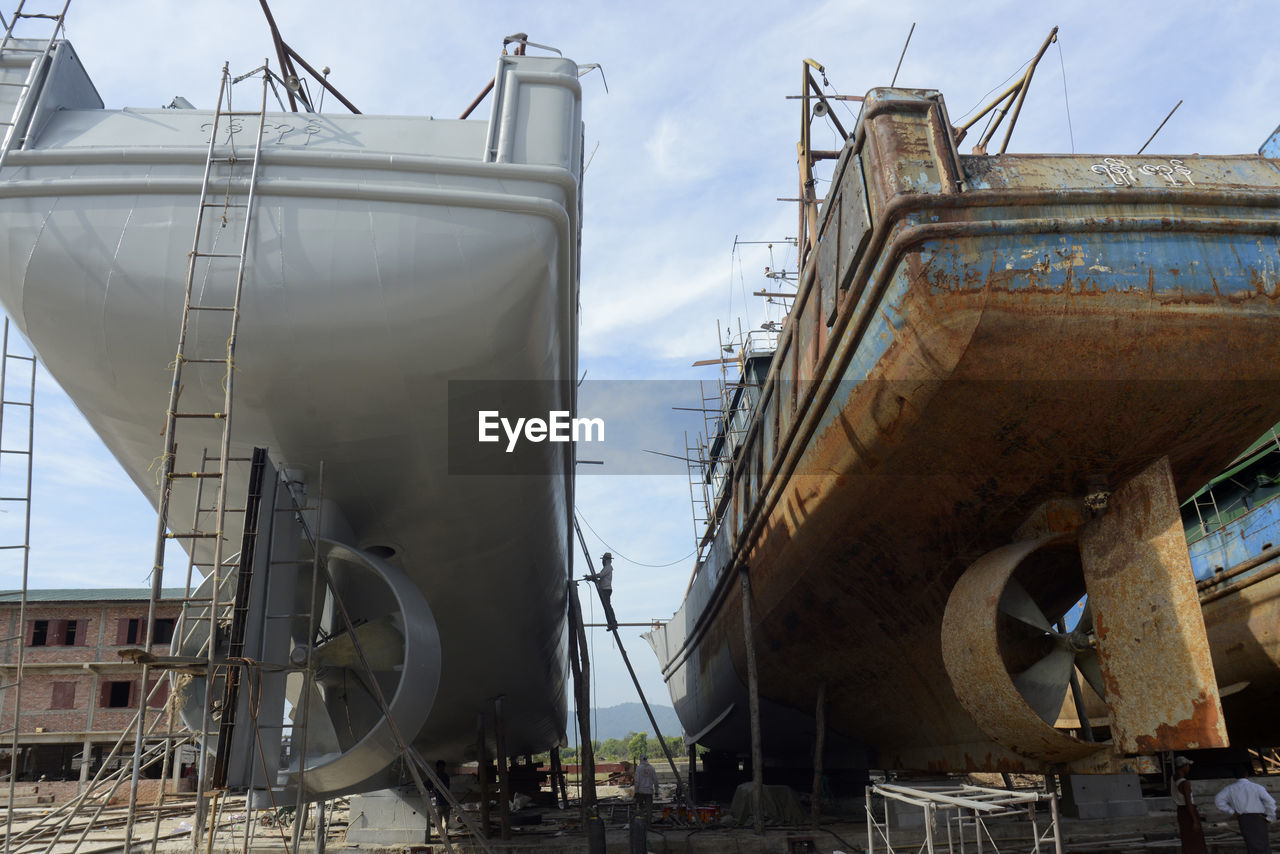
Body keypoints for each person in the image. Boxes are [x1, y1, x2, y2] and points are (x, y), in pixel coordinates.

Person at [1215, 767, 1276, 854]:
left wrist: (1231, 811)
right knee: (1262, 844)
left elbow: (1218, 800)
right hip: (1259, 817)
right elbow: (1270, 802)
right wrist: (1270, 816)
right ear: (1246, 774)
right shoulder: (1256, 787)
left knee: (1251, 844)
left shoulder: (1230, 789)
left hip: (1243, 818)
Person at [1170, 756, 1206, 854]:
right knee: (1195, 841)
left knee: (1186, 839)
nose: (1189, 768)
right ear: (1184, 766)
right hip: (1188, 812)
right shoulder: (1185, 783)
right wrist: (1194, 820)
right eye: (1188, 766)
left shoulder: (1173, 779)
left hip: (1181, 811)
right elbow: (1188, 803)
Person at [583, 552, 617, 630]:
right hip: (604, 589)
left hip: (606, 590)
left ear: (607, 560)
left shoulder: (608, 567)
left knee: (607, 607)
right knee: (606, 607)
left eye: (604, 559)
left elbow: (600, 575)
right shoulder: (606, 568)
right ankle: (611, 623)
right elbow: (600, 581)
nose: (603, 561)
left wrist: (591, 576)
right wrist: (591, 579)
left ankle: (613, 622)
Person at [430, 760, 452, 839]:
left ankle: (444, 836)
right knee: (439, 821)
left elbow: (446, 788)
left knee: (445, 821)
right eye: (441, 767)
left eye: (443, 767)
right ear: (437, 767)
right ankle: (441, 835)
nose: (442, 768)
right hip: (439, 802)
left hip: (445, 802)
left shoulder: (443, 776)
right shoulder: (436, 776)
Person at [634, 755, 658, 824]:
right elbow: (655, 781)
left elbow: (637, 781)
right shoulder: (651, 768)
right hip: (649, 791)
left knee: (641, 808)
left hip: (641, 791)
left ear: (640, 760)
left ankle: (641, 824)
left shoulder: (638, 768)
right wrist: (656, 791)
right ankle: (649, 824)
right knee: (649, 808)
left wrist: (636, 791)